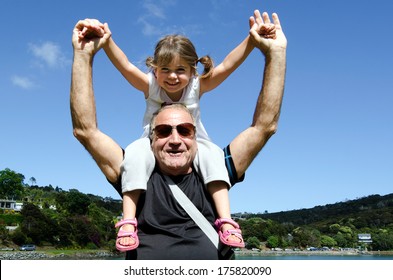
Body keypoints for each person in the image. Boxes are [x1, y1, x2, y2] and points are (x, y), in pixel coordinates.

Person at [70, 9, 287, 259]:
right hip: (143, 153)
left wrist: (270, 50)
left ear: (193, 70)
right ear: (155, 70)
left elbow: (263, 124)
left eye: (184, 130)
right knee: (135, 155)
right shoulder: (138, 167)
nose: (174, 139)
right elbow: (86, 128)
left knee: (213, 156)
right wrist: (88, 52)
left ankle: (226, 220)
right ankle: (128, 221)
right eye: (163, 131)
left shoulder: (208, 148)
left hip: (205, 153)